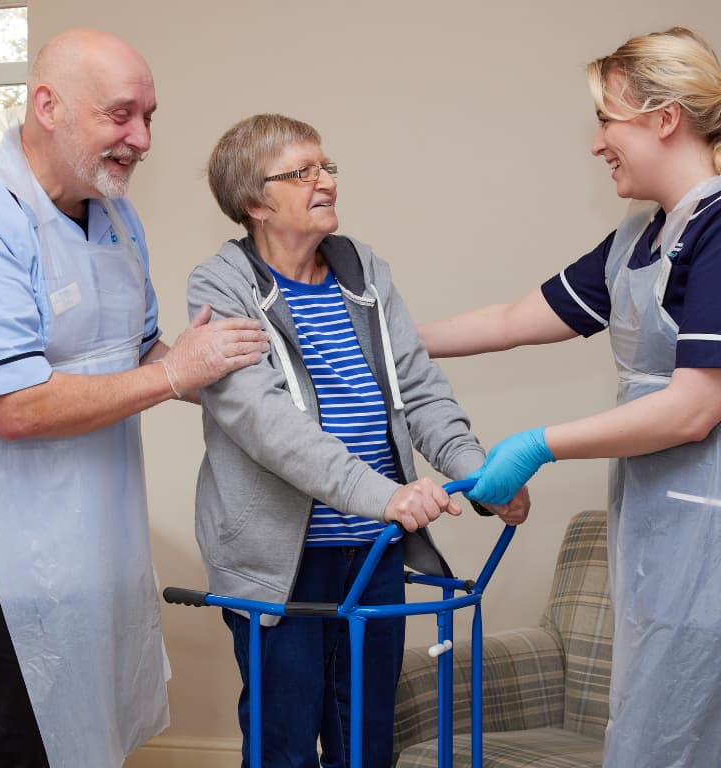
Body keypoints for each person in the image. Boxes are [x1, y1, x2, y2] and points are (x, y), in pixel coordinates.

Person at [420, 27, 721, 768]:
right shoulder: (643, 239)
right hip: (672, 529)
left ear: (664, 118)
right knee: (713, 725)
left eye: (607, 120)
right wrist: (381, 343)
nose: (596, 143)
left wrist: (539, 443)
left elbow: (694, 408)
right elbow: (518, 319)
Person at [0, 28, 269, 768]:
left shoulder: (114, 215)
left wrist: (228, 369)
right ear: (47, 105)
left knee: (83, 733)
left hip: (86, 537)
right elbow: (15, 407)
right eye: (121, 115)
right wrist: (177, 374)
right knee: (8, 744)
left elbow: (140, 353)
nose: (141, 138)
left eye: (150, 117)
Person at [189, 113, 528, 768]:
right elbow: (267, 426)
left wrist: (483, 475)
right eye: (302, 172)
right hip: (279, 566)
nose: (326, 182)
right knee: (284, 747)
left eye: (327, 167)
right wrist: (388, 495)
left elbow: (420, 388)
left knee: (368, 744)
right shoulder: (221, 285)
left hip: (372, 551)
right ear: (256, 202)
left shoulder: (363, 271)